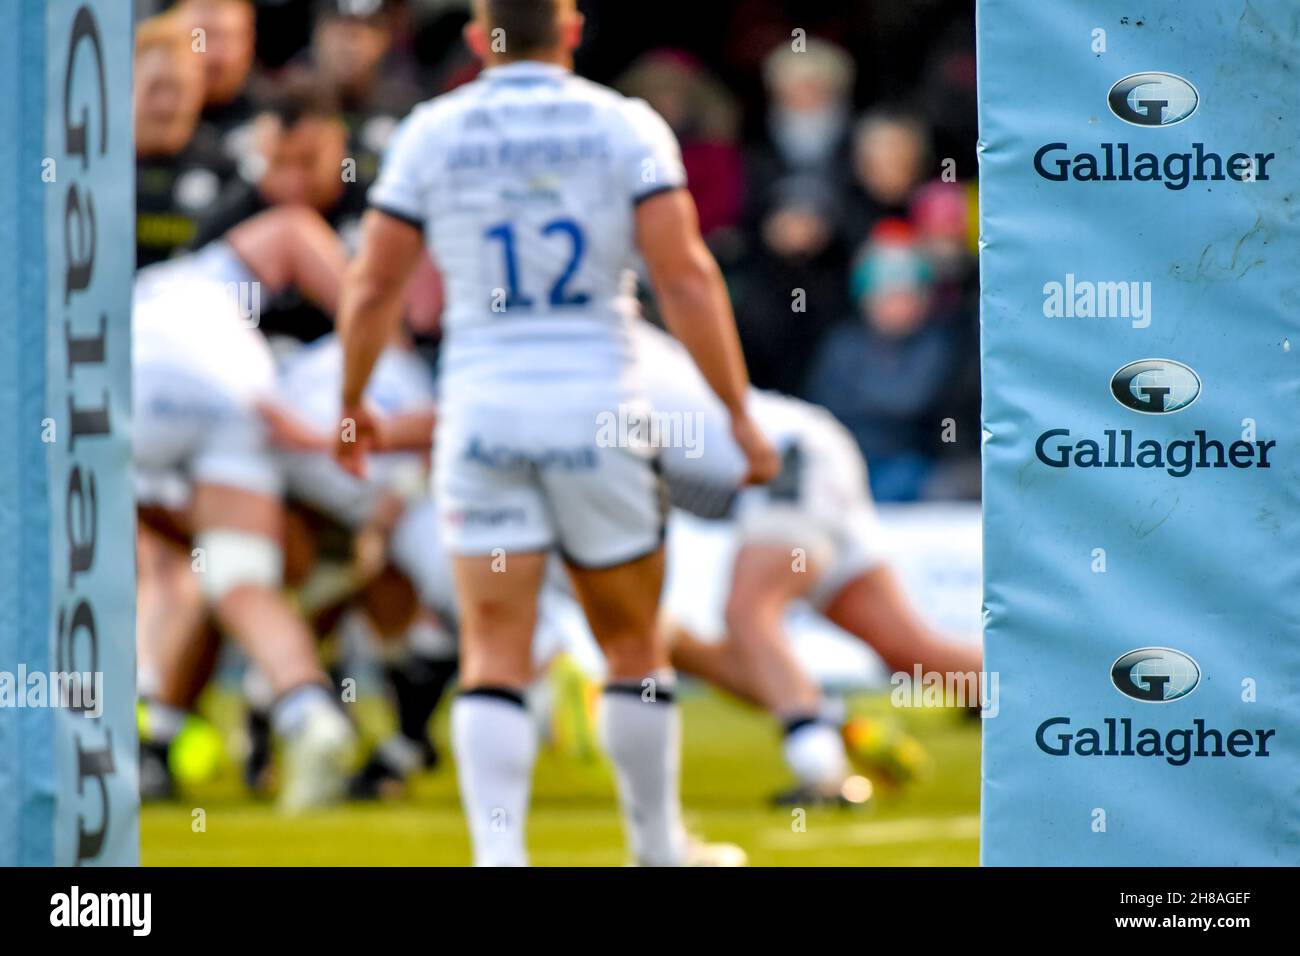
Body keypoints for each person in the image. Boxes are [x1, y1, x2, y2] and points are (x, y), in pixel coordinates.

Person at [334, 0, 777, 866]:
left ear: (476, 36)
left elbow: (372, 285)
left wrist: (352, 402)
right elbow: (684, 278)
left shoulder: (431, 130)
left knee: (492, 648)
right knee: (632, 643)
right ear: (571, 30)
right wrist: (736, 412)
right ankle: (657, 849)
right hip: (597, 407)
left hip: (481, 413)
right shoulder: (625, 124)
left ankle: (500, 859)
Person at [133, 206, 356, 812]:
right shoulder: (219, 287)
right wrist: (376, 336)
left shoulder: (161, 288)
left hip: (140, 380)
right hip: (244, 392)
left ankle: (128, 734)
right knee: (238, 579)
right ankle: (309, 716)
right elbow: (294, 231)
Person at [134, 12, 235, 268]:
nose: (166, 105)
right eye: (156, 87)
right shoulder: (97, 167)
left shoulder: (224, 167)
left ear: (199, 91)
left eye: (179, 89)